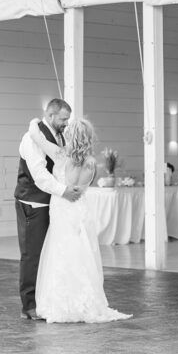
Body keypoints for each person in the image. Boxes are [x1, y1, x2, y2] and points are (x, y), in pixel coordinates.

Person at [27, 115, 132, 323]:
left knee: (60, 252)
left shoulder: (60, 155)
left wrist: (34, 122)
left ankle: (61, 303)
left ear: (70, 136)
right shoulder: (92, 163)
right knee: (82, 253)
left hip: (61, 207)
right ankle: (84, 301)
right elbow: (81, 189)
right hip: (79, 209)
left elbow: (35, 137)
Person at [14, 98, 82, 320]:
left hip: (51, 204)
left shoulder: (57, 135)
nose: (66, 123)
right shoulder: (31, 138)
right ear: (51, 115)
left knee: (49, 254)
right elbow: (40, 175)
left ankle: (45, 300)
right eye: (63, 119)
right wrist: (64, 191)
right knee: (32, 254)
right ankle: (29, 305)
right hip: (33, 203)